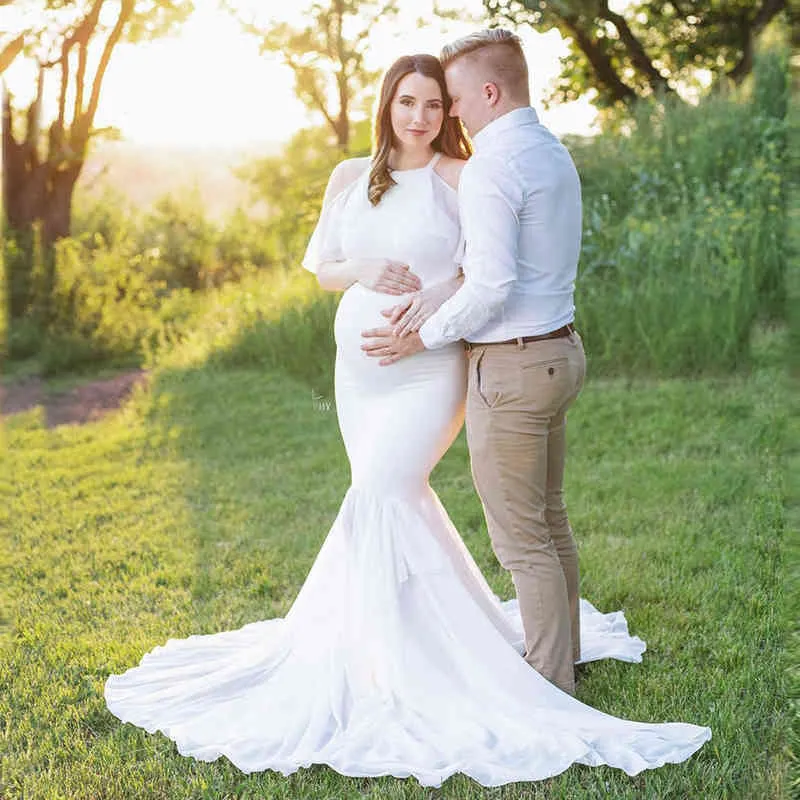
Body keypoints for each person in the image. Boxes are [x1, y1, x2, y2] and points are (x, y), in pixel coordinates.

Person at [104, 52, 710, 788]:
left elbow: (488, 263)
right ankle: (386, 641)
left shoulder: (463, 175)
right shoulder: (348, 177)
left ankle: (419, 663)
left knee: (388, 490)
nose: (422, 117)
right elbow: (322, 265)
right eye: (408, 103)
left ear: (450, 111)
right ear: (387, 105)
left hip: (428, 367)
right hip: (359, 375)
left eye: (434, 104)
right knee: (388, 497)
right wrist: (360, 272)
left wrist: (432, 297)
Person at [361, 28, 585, 696]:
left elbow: (491, 288)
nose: (449, 114)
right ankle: (566, 654)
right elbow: (499, 264)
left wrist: (422, 336)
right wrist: (437, 291)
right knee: (549, 520)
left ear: (488, 93)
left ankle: (550, 686)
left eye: (454, 99)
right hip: (560, 352)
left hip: (514, 368)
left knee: (521, 541)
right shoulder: (550, 152)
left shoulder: (491, 165)